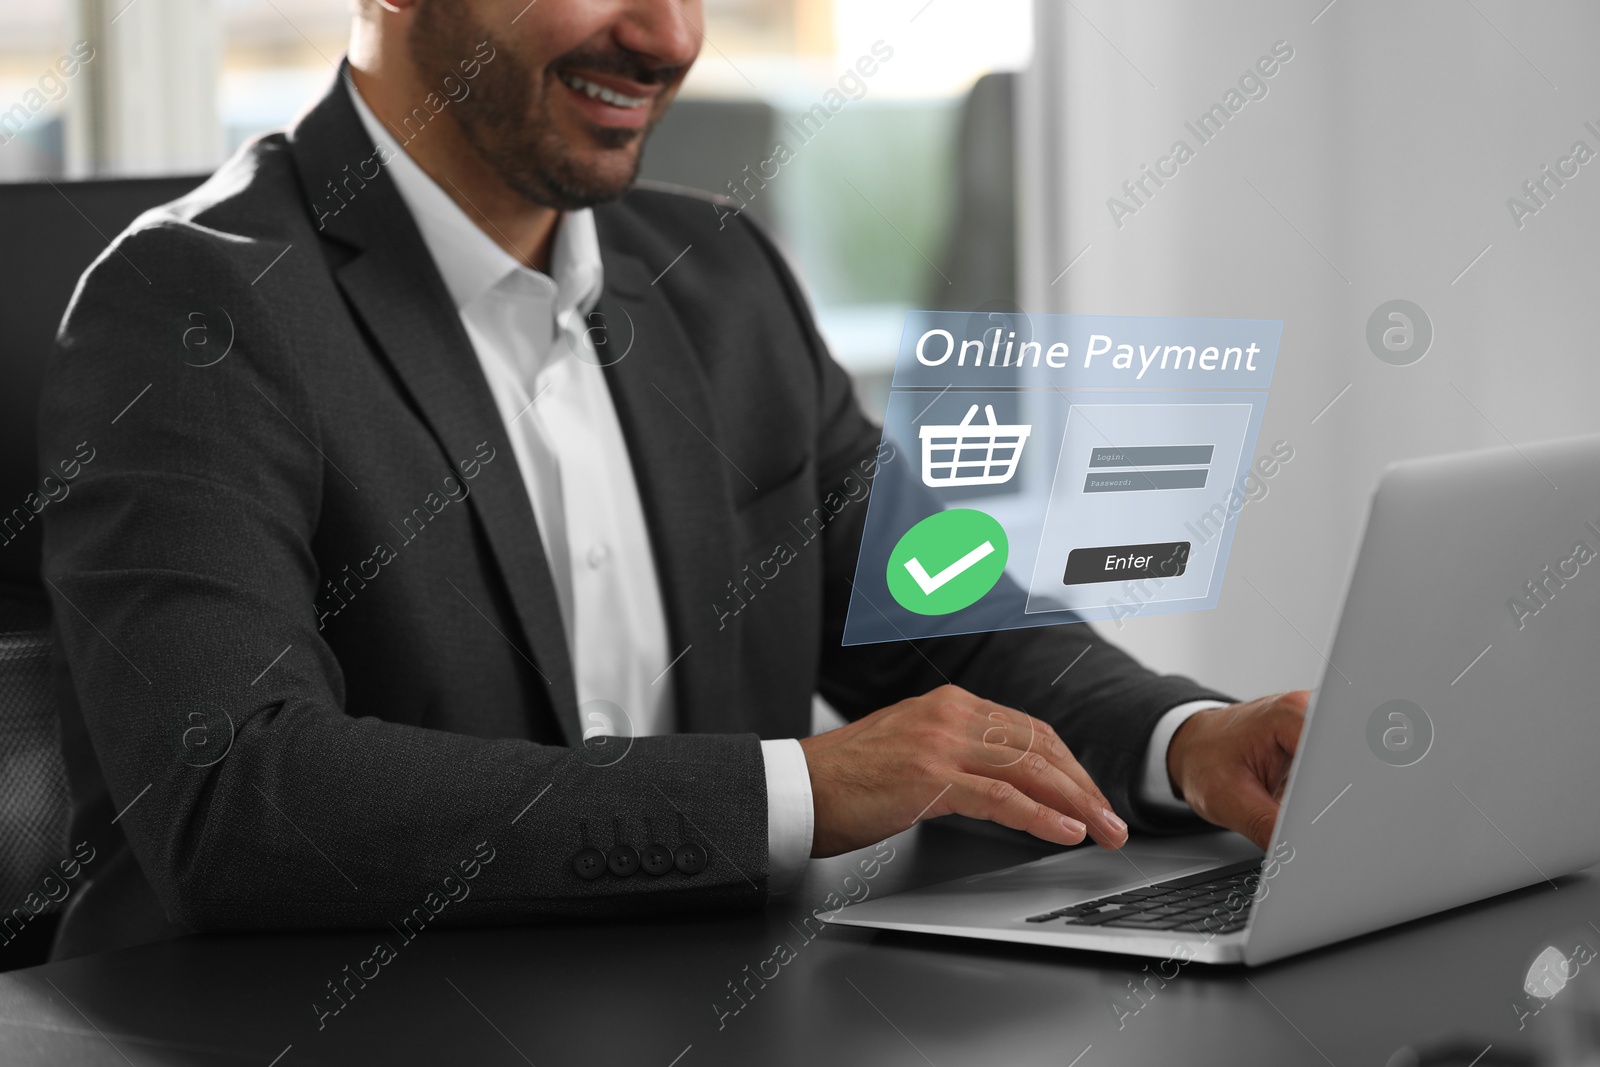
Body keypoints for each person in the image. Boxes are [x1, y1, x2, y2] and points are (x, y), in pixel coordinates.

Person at [38, 0, 1308, 960]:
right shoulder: (193, 305)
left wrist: (1189, 739)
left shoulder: (720, 274)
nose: (669, 34)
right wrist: (796, 787)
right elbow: (237, 800)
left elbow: (930, 613)